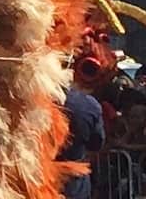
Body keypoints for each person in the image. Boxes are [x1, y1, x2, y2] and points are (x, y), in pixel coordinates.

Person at [59, 60, 107, 199]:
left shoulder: (34, 101)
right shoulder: (89, 104)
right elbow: (96, 143)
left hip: (38, 177)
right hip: (74, 181)